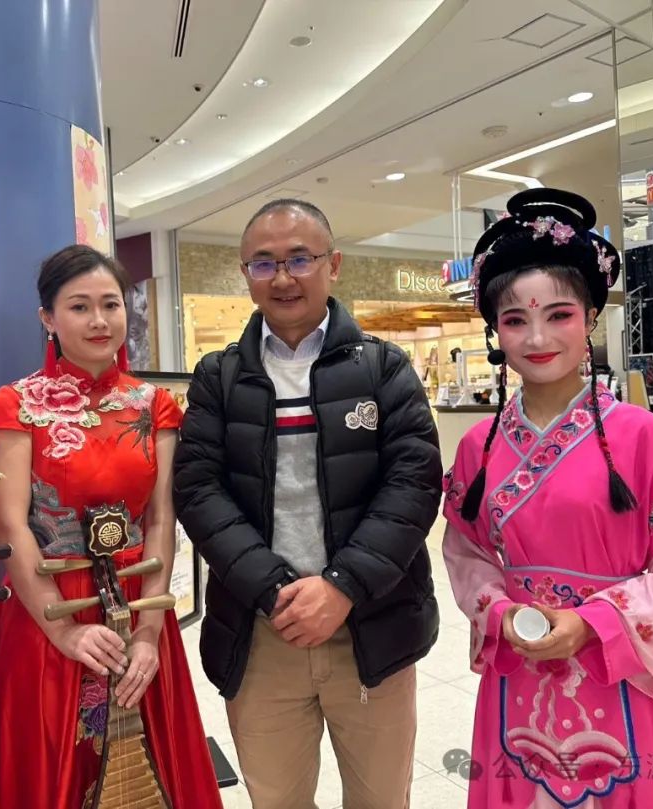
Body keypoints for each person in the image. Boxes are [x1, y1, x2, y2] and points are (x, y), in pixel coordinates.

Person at [441, 188, 653, 808]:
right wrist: (497, 611)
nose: (537, 336)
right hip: (518, 671)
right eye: (515, 320)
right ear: (495, 331)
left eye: (559, 314)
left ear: (591, 317)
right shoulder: (478, 447)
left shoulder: (645, 438)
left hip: (614, 670)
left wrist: (597, 622)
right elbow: (465, 555)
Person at [173, 199, 442, 809]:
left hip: (371, 624)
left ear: (333, 264)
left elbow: (414, 485)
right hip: (260, 630)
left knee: (381, 801)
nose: (283, 277)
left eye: (300, 259)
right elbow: (198, 490)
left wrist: (342, 586)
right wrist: (273, 589)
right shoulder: (218, 377)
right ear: (245, 273)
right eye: (264, 263)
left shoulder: (383, 368)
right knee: (277, 801)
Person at [0, 244, 222, 809]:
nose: (99, 320)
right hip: (49, 609)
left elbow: (161, 518)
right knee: (55, 763)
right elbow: (9, 525)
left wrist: (151, 632)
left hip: (139, 602)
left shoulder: (154, 405)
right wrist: (62, 630)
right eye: (79, 306)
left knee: (150, 765)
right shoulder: (16, 406)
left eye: (110, 305)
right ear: (48, 318)